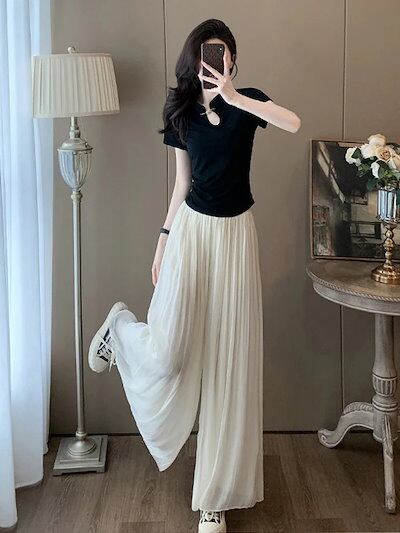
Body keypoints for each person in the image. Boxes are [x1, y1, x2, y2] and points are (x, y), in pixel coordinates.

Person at [88, 18, 301, 533]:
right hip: (192, 233)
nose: (216, 61)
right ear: (194, 58)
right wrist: (162, 240)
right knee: (171, 349)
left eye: (224, 53)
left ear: (233, 59)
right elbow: (181, 184)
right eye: (208, 53)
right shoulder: (180, 111)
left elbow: (293, 123)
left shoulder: (248, 102)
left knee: (230, 360)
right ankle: (121, 329)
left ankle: (214, 497)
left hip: (236, 236)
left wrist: (234, 96)